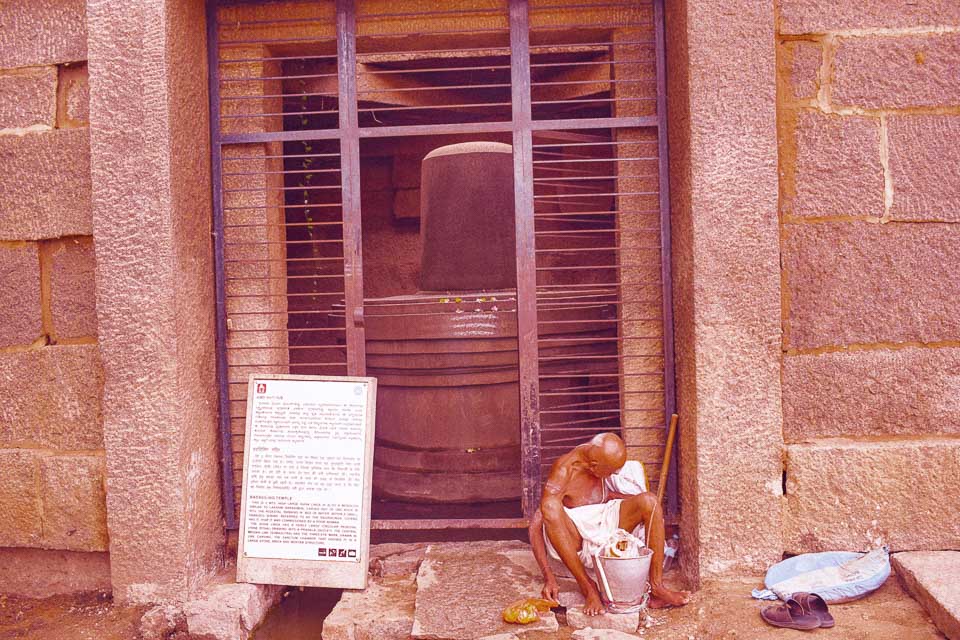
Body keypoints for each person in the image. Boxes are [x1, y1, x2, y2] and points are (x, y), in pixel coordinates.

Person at [528, 432, 690, 615]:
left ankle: (656, 587)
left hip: (604, 521)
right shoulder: (564, 470)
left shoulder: (597, 464)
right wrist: (548, 576)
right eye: (612, 471)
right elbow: (537, 521)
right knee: (549, 506)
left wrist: (647, 512)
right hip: (577, 535)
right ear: (595, 466)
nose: (615, 475)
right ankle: (588, 587)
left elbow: (606, 496)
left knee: (649, 502)